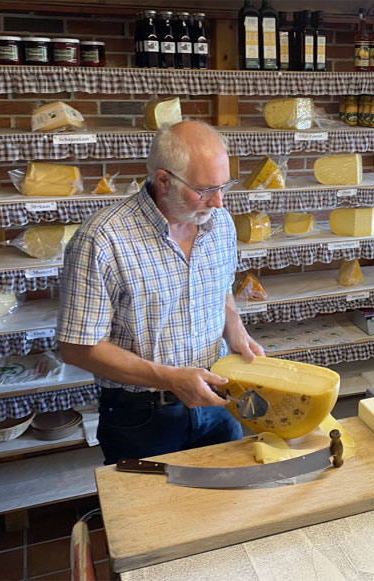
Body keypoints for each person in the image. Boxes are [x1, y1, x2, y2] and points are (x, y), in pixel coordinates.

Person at [57, 120, 265, 465]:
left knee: (228, 492)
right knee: (149, 501)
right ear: (163, 180)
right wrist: (170, 379)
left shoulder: (219, 223)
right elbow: (77, 348)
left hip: (220, 396)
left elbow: (220, 288)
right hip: (144, 415)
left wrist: (236, 331)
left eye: (224, 186)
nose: (219, 202)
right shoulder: (102, 238)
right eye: (205, 190)